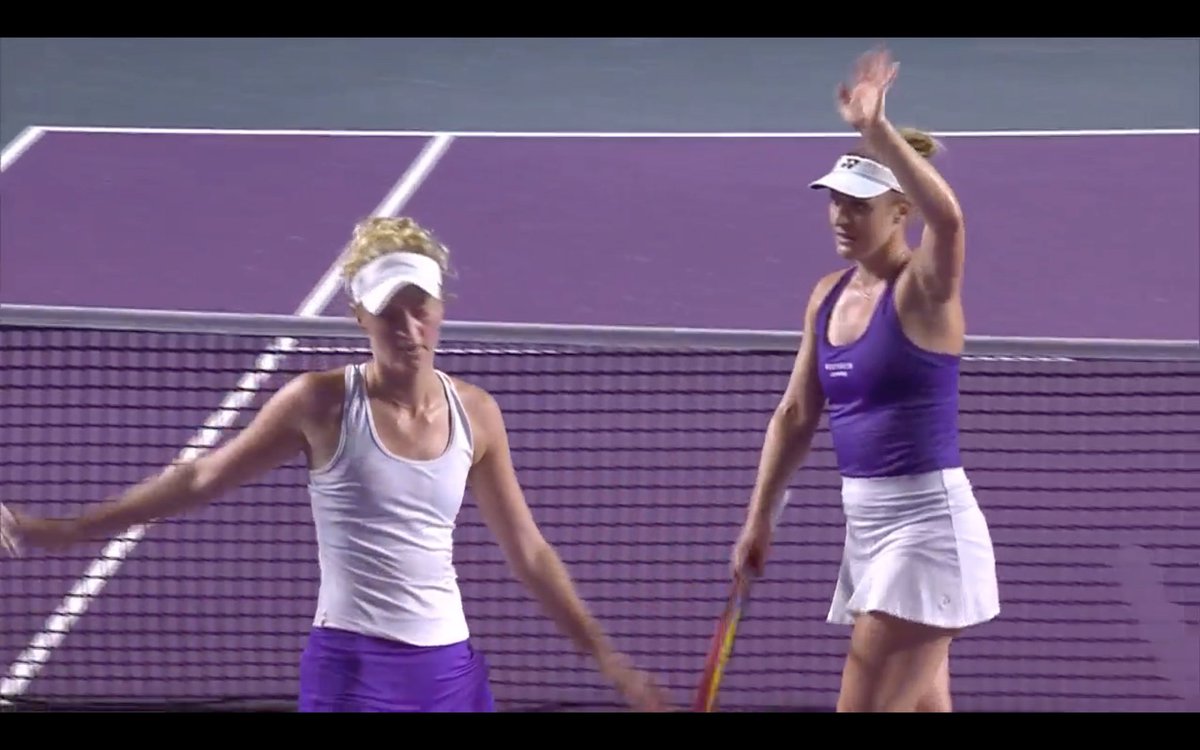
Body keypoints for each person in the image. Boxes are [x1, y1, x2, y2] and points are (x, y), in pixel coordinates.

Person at [0, 216, 670, 713]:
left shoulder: (477, 415)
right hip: (351, 667)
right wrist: (63, 529)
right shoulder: (319, 403)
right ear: (357, 316)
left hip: (451, 670)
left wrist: (606, 658)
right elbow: (202, 476)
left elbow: (527, 550)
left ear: (442, 307)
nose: (409, 329)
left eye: (421, 308)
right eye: (388, 313)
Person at [730, 47, 1000, 712]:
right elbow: (796, 413)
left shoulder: (925, 290)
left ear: (899, 209)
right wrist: (760, 515)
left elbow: (953, 221)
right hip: (868, 532)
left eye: (859, 204)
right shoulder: (825, 296)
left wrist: (874, 129)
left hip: (927, 532)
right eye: (835, 202)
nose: (841, 217)